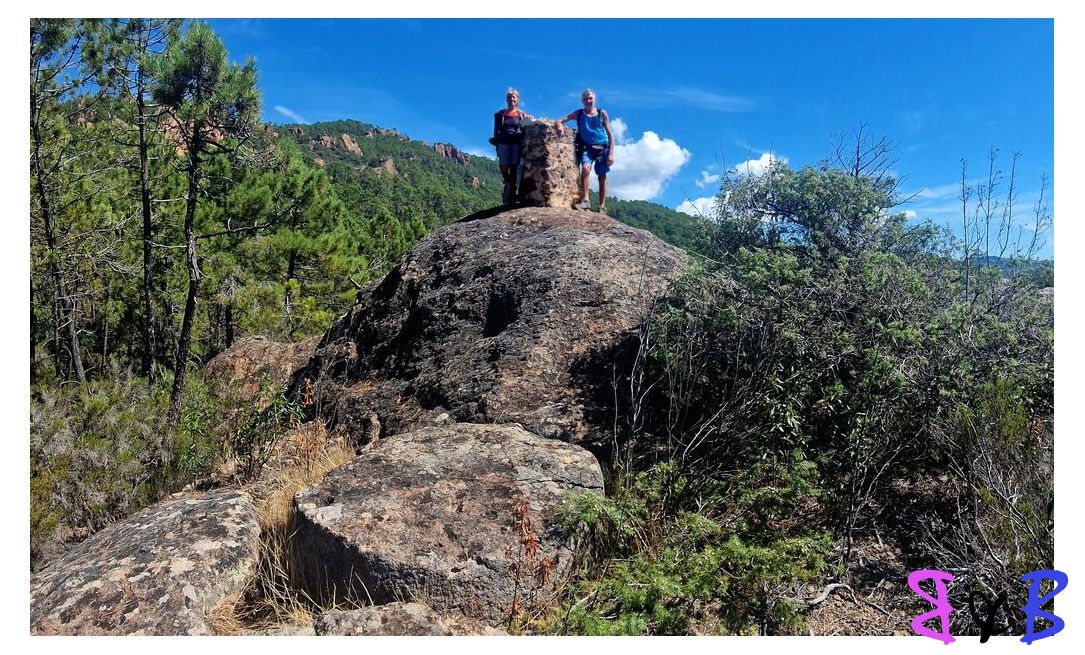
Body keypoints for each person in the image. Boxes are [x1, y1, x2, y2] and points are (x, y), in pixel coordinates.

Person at [554, 89, 614, 213]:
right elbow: (561, 119)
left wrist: (611, 153)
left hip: (602, 148)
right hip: (587, 148)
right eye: (586, 99)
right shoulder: (579, 114)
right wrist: (559, 125)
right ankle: (585, 200)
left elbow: (610, 134)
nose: (588, 101)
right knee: (585, 169)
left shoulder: (602, 113)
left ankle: (602, 206)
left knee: (602, 177)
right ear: (582, 101)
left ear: (594, 99)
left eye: (590, 98)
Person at [491, 88, 535, 206]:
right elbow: (496, 130)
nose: (511, 99)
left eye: (513, 97)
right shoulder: (500, 114)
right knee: (503, 167)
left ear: (517, 100)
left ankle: (512, 193)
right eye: (509, 97)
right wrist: (496, 143)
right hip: (503, 143)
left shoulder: (521, 114)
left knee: (514, 167)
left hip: (516, 143)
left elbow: (529, 122)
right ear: (507, 100)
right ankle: (513, 185)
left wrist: (530, 118)